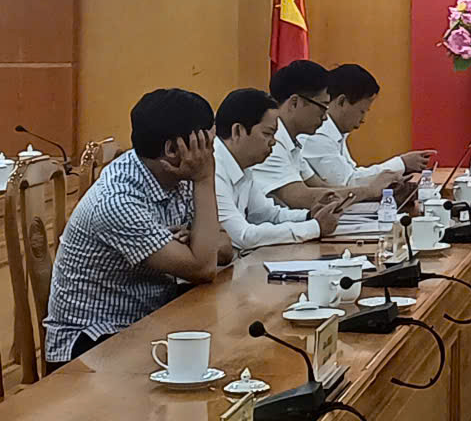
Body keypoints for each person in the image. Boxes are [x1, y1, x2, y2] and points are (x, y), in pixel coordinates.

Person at [44, 89, 222, 371]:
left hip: (148, 320)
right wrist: (204, 179)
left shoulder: (175, 175)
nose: (211, 154)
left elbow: (223, 247)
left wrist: (198, 241)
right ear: (172, 150)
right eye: (206, 144)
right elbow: (204, 268)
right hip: (92, 341)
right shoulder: (117, 200)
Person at [251, 59, 396, 210]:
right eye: (322, 107)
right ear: (295, 103)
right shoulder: (271, 142)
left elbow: (321, 187)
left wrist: (373, 192)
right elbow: (300, 198)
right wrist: (369, 191)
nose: (325, 117)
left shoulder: (291, 142)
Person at [215, 88, 347, 250]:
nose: (273, 142)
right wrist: (315, 227)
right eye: (267, 134)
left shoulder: (244, 167)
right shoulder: (214, 169)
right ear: (237, 131)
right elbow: (243, 236)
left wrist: (309, 215)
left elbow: (269, 214)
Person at [301, 64, 434, 187]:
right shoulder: (317, 135)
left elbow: (352, 174)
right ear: (342, 102)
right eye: (362, 111)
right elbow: (347, 183)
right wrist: (402, 164)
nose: (363, 119)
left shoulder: (336, 133)